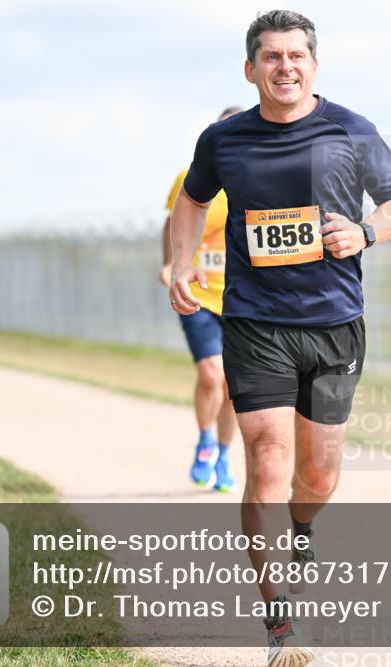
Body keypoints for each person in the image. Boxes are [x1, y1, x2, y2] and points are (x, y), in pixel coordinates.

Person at [167, 10, 391, 666]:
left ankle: (303, 526)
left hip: (335, 325)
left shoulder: (351, 130)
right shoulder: (224, 140)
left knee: (319, 471)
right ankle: (280, 627)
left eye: (295, 56)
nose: (284, 67)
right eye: (270, 57)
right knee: (270, 461)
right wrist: (180, 262)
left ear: (313, 64)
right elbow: (190, 202)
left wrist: (365, 232)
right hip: (255, 323)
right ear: (251, 69)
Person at [160, 106, 243, 492]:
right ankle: (206, 440)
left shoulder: (255, 179)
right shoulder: (191, 176)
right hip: (199, 291)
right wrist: (172, 262)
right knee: (212, 374)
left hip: (243, 297)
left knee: (234, 387)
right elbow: (173, 219)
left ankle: (225, 455)